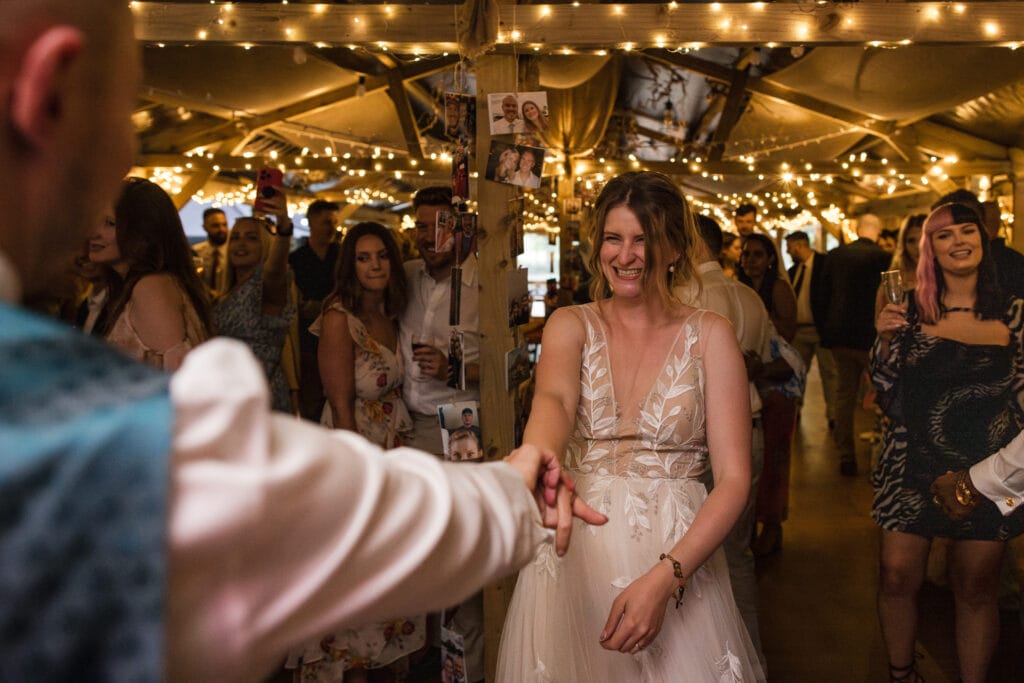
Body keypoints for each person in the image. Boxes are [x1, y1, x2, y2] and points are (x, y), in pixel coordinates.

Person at [0, 8, 603, 680]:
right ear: (43, 94)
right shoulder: (86, 421)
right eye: (119, 118)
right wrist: (513, 494)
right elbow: (313, 516)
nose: (119, 158)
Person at [496, 171, 764, 681]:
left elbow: (733, 479)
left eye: (644, 240)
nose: (626, 256)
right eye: (614, 239)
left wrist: (668, 578)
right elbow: (553, 399)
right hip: (576, 552)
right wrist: (540, 454)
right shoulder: (570, 324)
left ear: (675, 248)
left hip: (678, 551)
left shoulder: (711, 335)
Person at [871, 202, 1024, 683]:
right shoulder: (908, 309)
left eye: (967, 231)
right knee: (897, 575)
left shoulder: (1015, 313)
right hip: (909, 459)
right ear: (929, 248)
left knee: (977, 587)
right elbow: (885, 391)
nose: (958, 241)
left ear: (983, 238)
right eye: (943, 235)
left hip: (990, 466)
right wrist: (881, 342)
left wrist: (1007, 472)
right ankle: (902, 674)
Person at [290, 222, 422, 681]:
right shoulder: (337, 317)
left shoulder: (392, 312)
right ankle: (349, 666)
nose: (374, 266)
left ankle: (378, 662)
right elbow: (340, 403)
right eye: (364, 258)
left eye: (382, 256)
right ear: (351, 266)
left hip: (394, 440)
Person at [675, 213, 774, 670]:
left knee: (690, 559)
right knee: (738, 556)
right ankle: (749, 662)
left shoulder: (684, 298)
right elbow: (773, 356)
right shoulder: (749, 296)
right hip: (749, 430)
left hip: (698, 440)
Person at [399, 186, 487, 681]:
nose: (428, 237)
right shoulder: (404, 278)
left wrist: (457, 368)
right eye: (420, 227)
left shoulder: (482, 285)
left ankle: (466, 671)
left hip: (461, 423)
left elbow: (503, 368)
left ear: (461, 230)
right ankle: (422, 658)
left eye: (440, 226)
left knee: (461, 557)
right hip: (408, 425)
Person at [89, 177, 213, 370]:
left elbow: (176, 378)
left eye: (109, 223)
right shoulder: (146, 284)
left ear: (144, 232)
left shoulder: (151, 287)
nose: (93, 232)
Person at [821, 213, 892, 476]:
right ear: (878, 230)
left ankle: (846, 454)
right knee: (883, 394)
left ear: (857, 229)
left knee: (844, 395)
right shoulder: (883, 258)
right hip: (871, 338)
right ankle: (881, 451)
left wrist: (826, 330)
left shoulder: (836, 255)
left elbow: (822, 295)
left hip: (840, 335)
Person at [213, 195, 296, 414]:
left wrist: (284, 228)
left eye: (251, 238)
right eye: (236, 237)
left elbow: (274, 271)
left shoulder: (265, 287)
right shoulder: (228, 293)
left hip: (261, 396)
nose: (241, 243)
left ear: (266, 246)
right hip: (228, 395)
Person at [290, 199, 342, 420]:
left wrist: (315, 306)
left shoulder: (342, 256)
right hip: (307, 344)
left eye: (333, 223)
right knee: (311, 403)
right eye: (325, 222)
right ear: (310, 222)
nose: (330, 228)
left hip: (338, 341)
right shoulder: (295, 260)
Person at [737, 232, 797, 342]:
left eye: (758, 254)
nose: (750, 259)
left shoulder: (779, 287)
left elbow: (788, 333)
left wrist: (760, 312)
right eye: (746, 254)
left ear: (770, 259)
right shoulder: (739, 287)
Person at [874, 214, 925, 318]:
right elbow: (880, 320)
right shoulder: (895, 279)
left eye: (923, 239)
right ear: (903, 245)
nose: (918, 246)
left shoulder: (949, 274)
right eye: (911, 240)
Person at [194, 207, 229, 297]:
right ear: (204, 227)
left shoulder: (234, 252)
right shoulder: (196, 252)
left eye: (224, 225)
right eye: (215, 226)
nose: (221, 229)